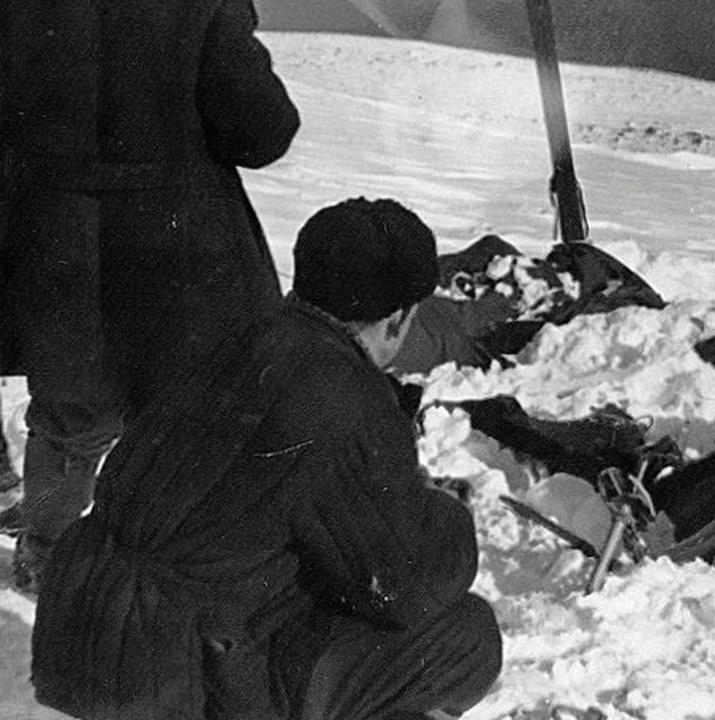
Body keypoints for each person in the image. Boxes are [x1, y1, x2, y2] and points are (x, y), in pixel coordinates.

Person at [31, 198, 503, 720]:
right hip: (172, 673)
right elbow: (406, 586)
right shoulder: (341, 391)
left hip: (80, 627)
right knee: (463, 636)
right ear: (396, 318)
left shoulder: (230, 337)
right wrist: (443, 510)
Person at [0, 0, 300, 591]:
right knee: (184, 411)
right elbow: (262, 131)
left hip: (58, 238)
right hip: (178, 246)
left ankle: (48, 553)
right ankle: (173, 561)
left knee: (69, 407)